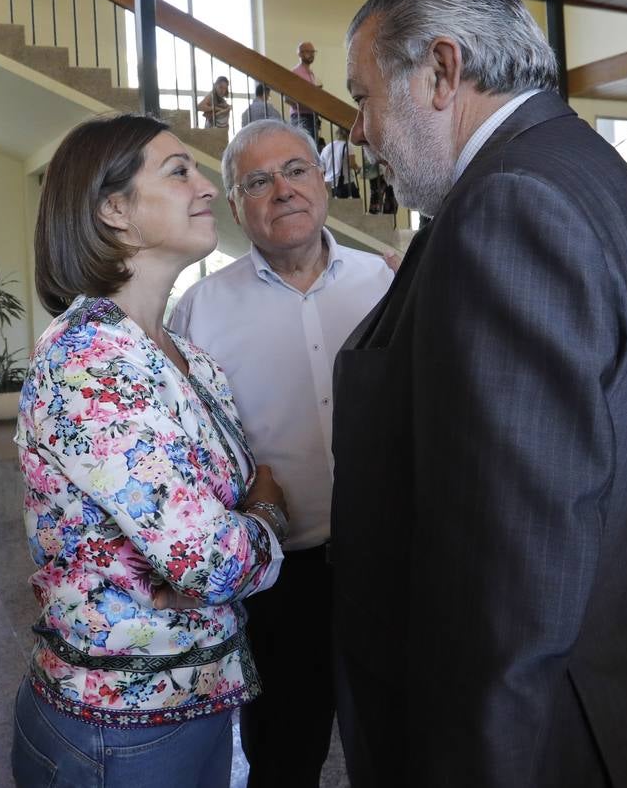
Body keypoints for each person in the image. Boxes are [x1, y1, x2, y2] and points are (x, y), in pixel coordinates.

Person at [333, 0, 627, 786]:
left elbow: (514, 564)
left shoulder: (511, 204)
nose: (358, 131)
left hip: (533, 734)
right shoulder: (582, 171)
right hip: (585, 688)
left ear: (442, 71)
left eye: (362, 97)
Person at [10, 114, 288, 787]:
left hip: (190, 698)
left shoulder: (182, 356)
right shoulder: (90, 361)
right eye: (179, 171)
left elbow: (219, 530)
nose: (209, 187)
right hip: (118, 731)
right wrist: (268, 520)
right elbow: (212, 560)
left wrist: (231, 530)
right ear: (114, 210)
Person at [168, 119, 392, 787]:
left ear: (322, 180)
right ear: (235, 207)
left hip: (386, 563)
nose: (282, 190)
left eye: (295, 170)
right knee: (284, 753)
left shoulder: (386, 284)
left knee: (395, 740)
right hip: (279, 580)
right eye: (257, 181)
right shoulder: (199, 312)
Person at [289, 41, 321, 140]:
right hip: (300, 115)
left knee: (312, 147)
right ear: (300, 53)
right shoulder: (295, 73)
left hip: (311, 115)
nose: (311, 55)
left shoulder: (311, 74)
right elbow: (289, 97)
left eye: (313, 52)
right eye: (308, 52)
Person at [317, 126, 357, 198]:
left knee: (334, 208)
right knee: (355, 206)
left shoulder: (327, 147)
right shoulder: (347, 145)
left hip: (329, 184)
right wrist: (359, 169)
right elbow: (352, 164)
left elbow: (321, 168)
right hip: (345, 182)